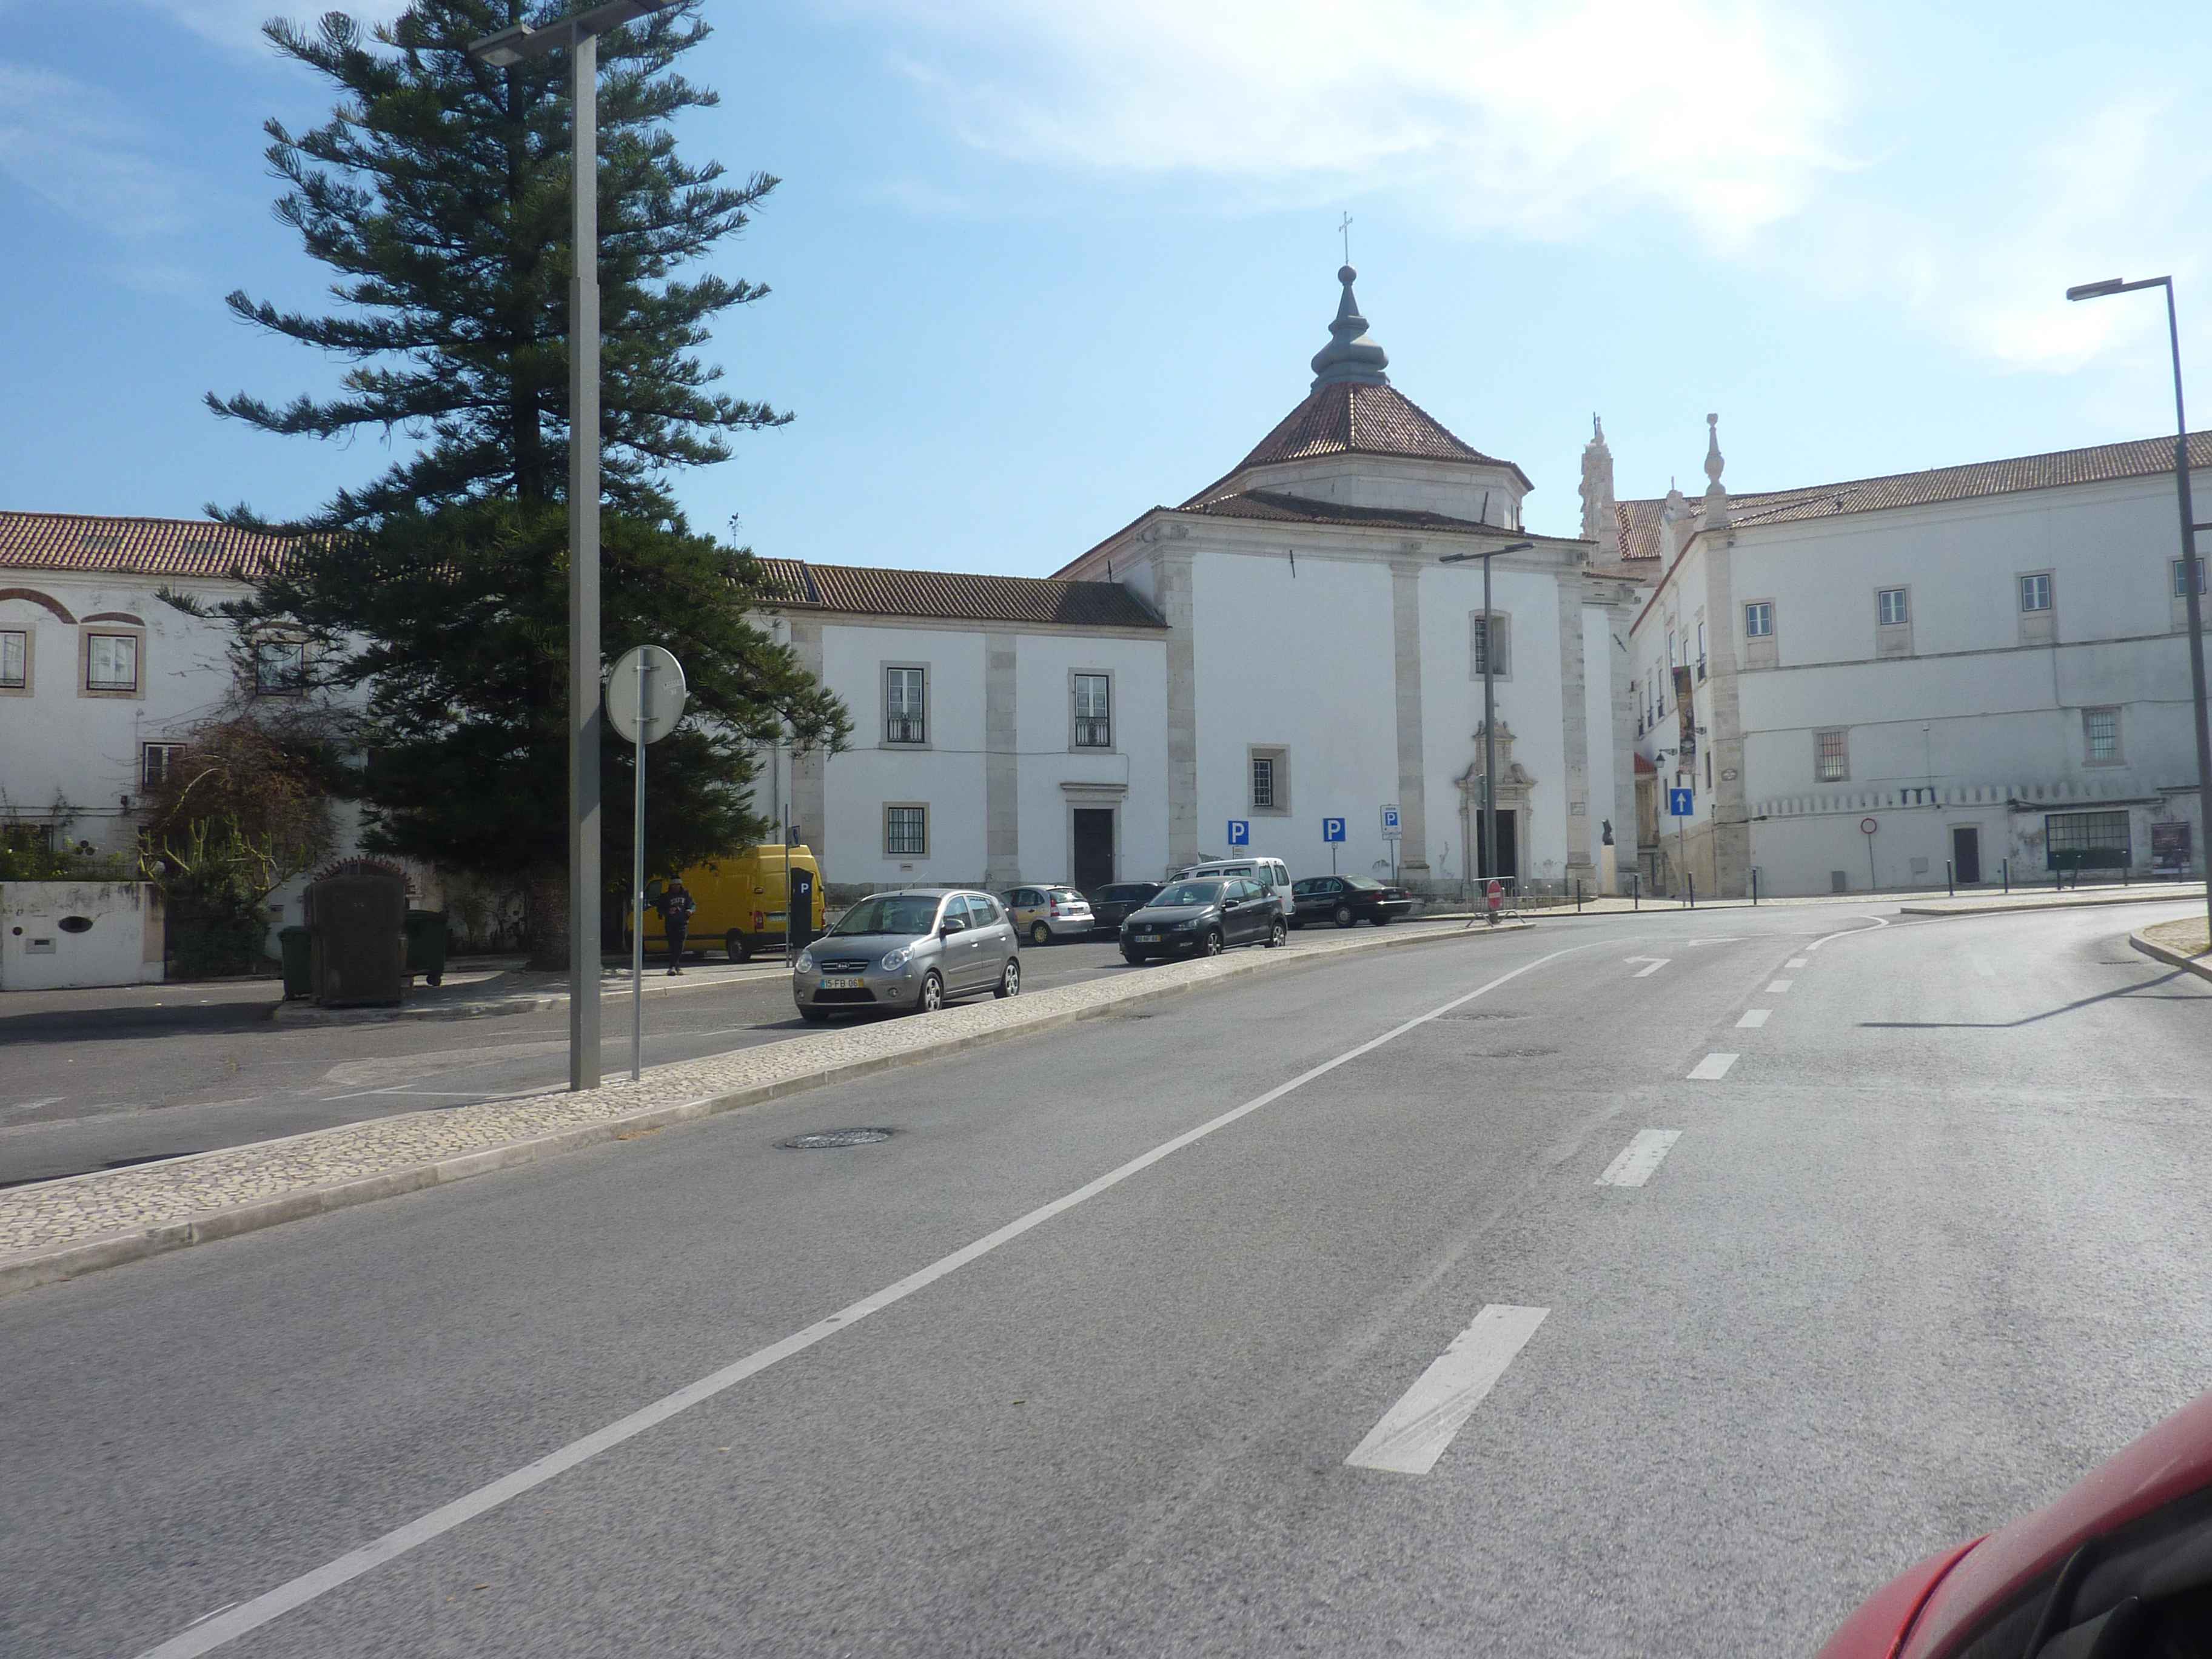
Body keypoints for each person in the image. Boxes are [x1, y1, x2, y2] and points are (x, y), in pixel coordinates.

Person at [658, 877, 695, 974]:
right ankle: (677, 967)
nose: (676, 887)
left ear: (681, 885)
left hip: (683, 923)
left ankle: (672, 967)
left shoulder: (686, 894)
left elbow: (693, 905)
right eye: (674, 885)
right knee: (673, 945)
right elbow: (660, 909)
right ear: (671, 886)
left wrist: (690, 910)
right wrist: (667, 912)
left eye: (678, 885)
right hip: (670, 923)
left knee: (680, 945)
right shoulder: (666, 896)